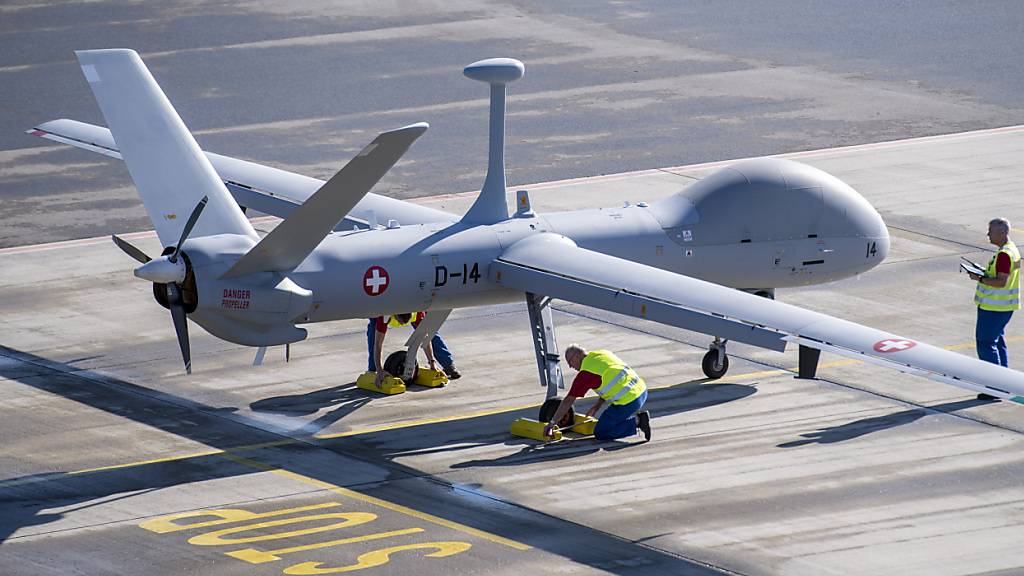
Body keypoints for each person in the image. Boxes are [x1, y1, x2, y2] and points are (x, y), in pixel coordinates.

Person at [544, 344, 651, 441]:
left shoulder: (586, 374)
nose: (571, 367)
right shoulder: (603, 353)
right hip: (642, 391)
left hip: (629, 402)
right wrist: (596, 407)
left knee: (601, 432)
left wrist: (552, 423)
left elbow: (568, 401)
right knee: (608, 421)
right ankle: (635, 420)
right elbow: (612, 381)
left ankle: (638, 421)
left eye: (570, 362)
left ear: (577, 356)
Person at [967, 218, 1020, 376]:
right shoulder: (1010, 249)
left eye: (990, 231)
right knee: (997, 342)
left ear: (1002, 233)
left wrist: (980, 278)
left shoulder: (1004, 255)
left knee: (986, 344)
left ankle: (993, 385)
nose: (988, 234)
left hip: (994, 308)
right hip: (1003, 307)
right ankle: (1003, 381)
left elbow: (1001, 282)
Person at [367, 312, 460, 386]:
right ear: (395, 315)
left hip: (412, 300)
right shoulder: (384, 315)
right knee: (374, 335)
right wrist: (379, 370)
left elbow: (425, 338)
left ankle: (448, 365)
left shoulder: (417, 313)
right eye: (400, 322)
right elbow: (378, 344)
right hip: (383, 303)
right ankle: (374, 370)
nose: (402, 325)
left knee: (427, 329)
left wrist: (432, 362)